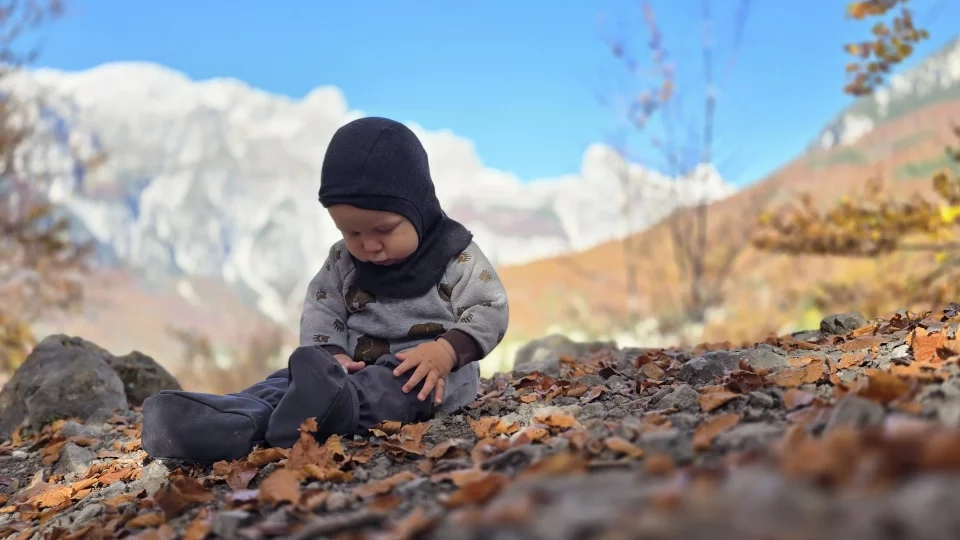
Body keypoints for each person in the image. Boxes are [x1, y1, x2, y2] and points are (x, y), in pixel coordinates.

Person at [142, 117, 510, 463]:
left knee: (391, 390)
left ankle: (319, 411)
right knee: (289, 381)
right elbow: (324, 309)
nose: (369, 246)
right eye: (352, 233)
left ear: (419, 207)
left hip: (424, 377)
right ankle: (228, 417)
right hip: (342, 375)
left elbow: (490, 306)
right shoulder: (343, 261)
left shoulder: (454, 255)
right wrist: (331, 354)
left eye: (383, 230)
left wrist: (446, 352)